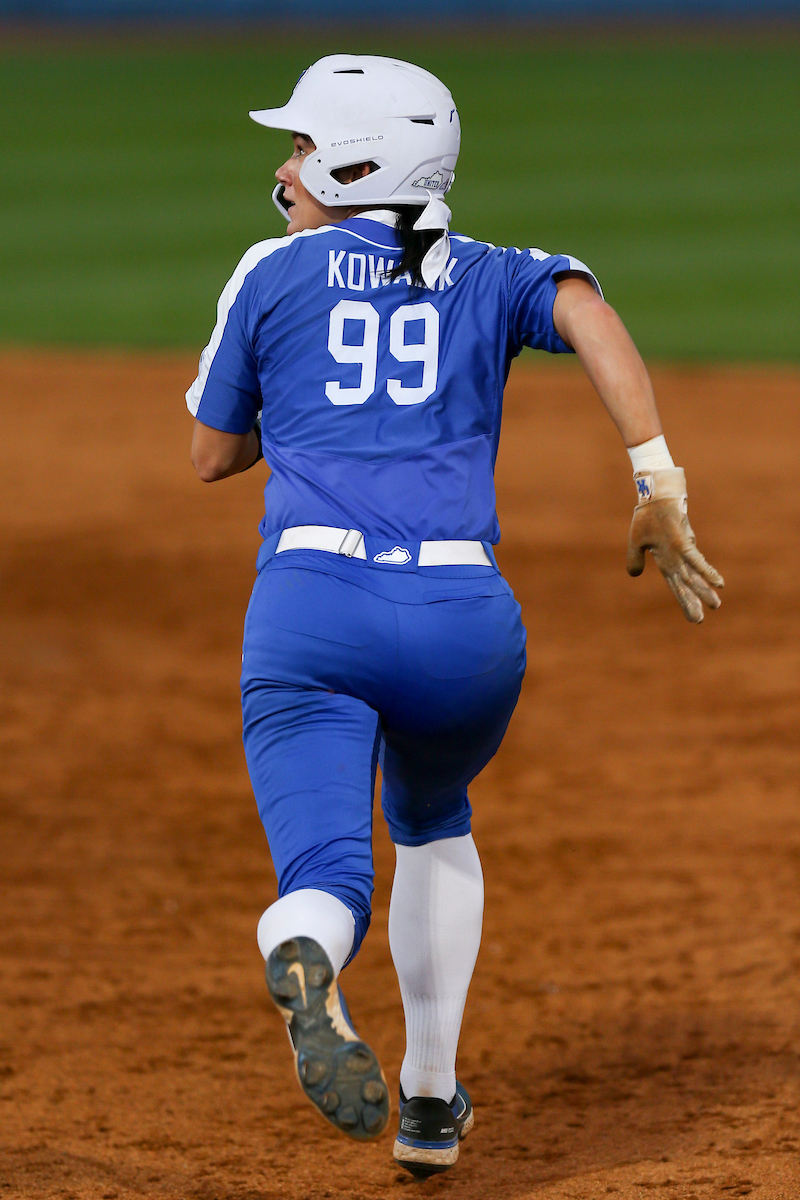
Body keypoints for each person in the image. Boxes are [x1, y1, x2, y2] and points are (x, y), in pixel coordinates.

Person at [187, 54, 723, 1179]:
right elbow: (586, 309)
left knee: (328, 870)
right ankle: (428, 1102)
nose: (283, 165)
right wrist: (656, 483)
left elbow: (210, 456)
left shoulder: (270, 275)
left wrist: (300, 410)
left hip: (311, 610)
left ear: (352, 161)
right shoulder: (487, 270)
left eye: (298, 145)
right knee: (432, 816)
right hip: (462, 619)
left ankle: (302, 946)